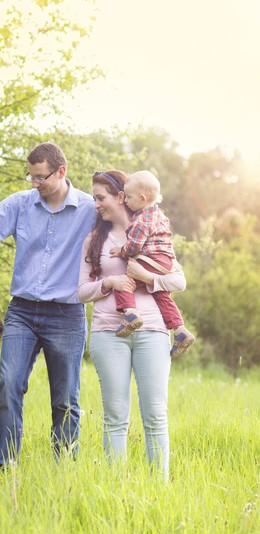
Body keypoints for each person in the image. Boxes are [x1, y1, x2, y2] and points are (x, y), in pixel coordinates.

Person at [0, 142, 96, 468]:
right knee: (8, 385)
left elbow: (121, 222)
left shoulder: (88, 209)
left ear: (62, 172)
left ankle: (66, 465)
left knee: (66, 398)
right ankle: (6, 463)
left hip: (67, 315)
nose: (34, 184)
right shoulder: (22, 203)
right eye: (30, 176)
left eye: (40, 178)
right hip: (23, 312)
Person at [78, 170, 188, 481]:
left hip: (152, 332)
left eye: (101, 197)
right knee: (115, 417)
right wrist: (109, 283)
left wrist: (147, 278)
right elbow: (81, 291)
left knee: (155, 414)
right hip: (108, 333)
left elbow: (179, 280)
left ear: (120, 197)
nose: (96, 204)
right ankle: (115, 485)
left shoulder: (151, 232)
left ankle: (159, 487)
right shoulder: (94, 240)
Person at [108, 170, 195, 358]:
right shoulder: (159, 214)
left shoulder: (141, 221)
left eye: (129, 197)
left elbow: (133, 247)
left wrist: (121, 251)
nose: (126, 201)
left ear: (142, 197)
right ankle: (180, 331)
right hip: (166, 261)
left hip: (150, 260)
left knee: (124, 283)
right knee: (161, 294)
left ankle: (131, 315)